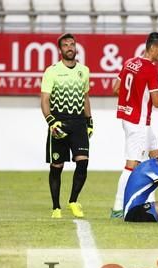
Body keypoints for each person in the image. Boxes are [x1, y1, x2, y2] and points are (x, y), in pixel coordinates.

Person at [110, 32, 158, 218]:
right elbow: (156, 102)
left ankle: (147, 201)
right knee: (132, 165)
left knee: (155, 156)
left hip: (129, 119)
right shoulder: (150, 69)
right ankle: (117, 208)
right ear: (153, 47)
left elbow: (115, 89)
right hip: (138, 122)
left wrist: (133, 99)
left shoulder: (130, 62)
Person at [40, 33, 93, 219]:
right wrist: (50, 121)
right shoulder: (52, 71)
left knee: (83, 162)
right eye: (66, 45)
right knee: (57, 166)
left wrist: (89, 121)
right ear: (60, 49)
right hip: (58, 122)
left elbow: (85, 97)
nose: (70, 47)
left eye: (72, 44)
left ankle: (73, 201)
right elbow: (45, 100)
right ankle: (56, 207)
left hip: (78, 122)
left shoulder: (84, 71)